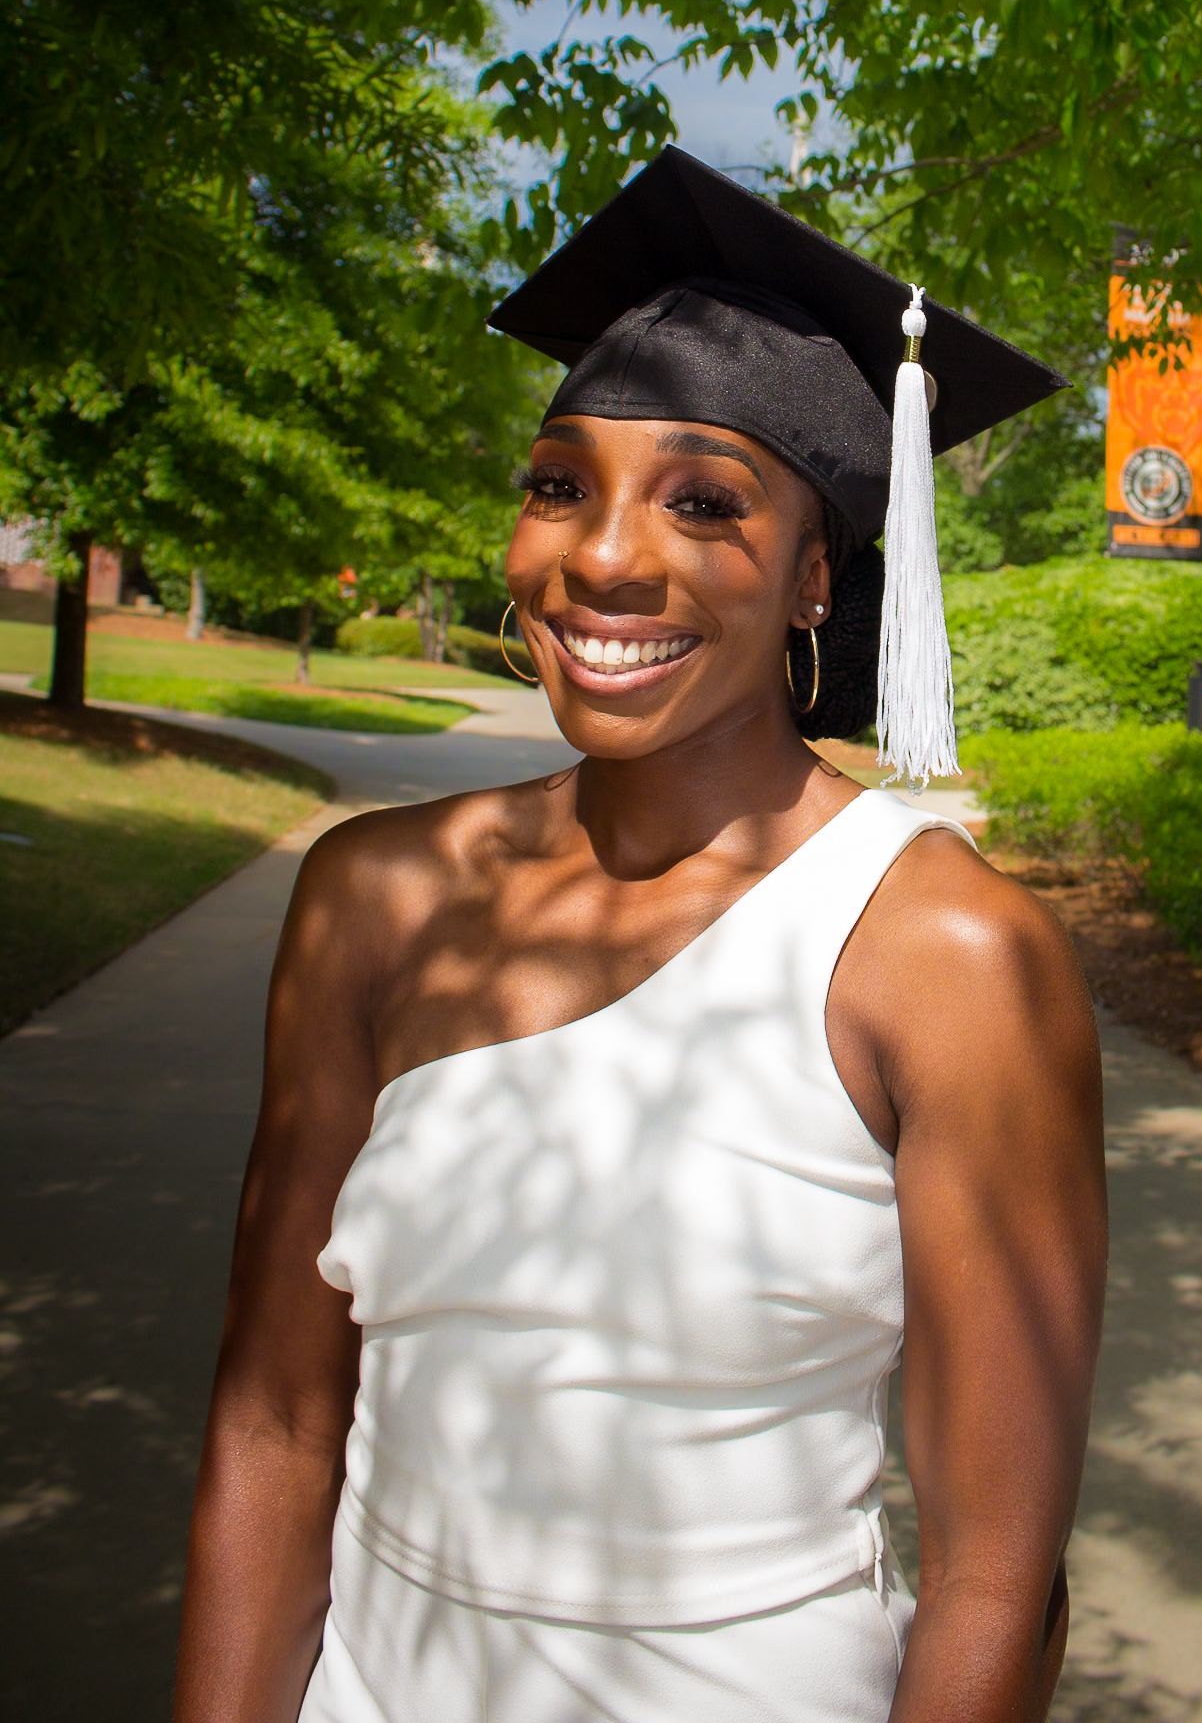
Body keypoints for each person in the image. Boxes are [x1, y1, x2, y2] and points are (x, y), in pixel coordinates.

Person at [173, 146, 1107, 1723]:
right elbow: (274, 1422)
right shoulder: (378, 901)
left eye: (703, 501)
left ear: (818, 574)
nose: (604, 555)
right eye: (558, 483)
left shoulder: (941, 958)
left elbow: (996, 1586)